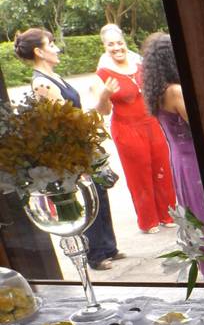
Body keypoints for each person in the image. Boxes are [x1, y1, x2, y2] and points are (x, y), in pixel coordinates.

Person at [12, 28, 124, 271]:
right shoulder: (42, 82)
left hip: (80, 144)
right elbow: (67, 120)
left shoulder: (55, 77)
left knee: (100, 193)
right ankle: (96, 254)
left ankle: (108, 247)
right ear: (39, 52)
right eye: (50, 44)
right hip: (70, 149)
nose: (56, 48)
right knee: (89, 195)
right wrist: (101, 100)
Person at [140, 33, 204, 280]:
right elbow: (201, 127)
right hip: (194, 160)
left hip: (178, 161)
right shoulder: (175, 91)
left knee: (195, 214)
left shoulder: (157, 91)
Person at [92, 24, 176, 234]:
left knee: (162, 168)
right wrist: (105, 94)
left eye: (119, 42)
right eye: (111, 44)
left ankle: (168, 214)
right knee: (140, 175)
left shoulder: (139, 65)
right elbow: (102, 111)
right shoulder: (102, 74)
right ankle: (148, 220)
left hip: (152, 123)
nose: (117, 48)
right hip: (127, 128)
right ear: (104, 46)